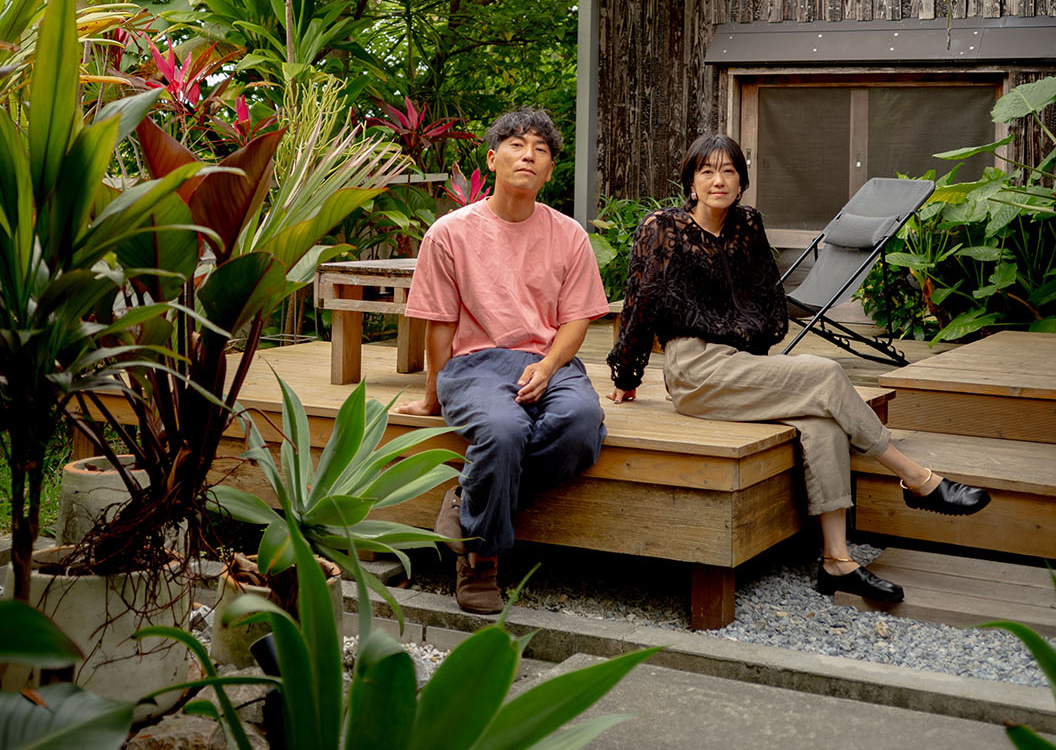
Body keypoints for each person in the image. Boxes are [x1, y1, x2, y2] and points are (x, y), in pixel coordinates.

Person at [607, 133, 990, 604]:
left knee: (822, 421)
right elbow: (640, 302)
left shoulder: (747, 224)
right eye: (706, 171)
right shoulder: (662, 228)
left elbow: (768, 296)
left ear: (742, 182)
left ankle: (837, 561)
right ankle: (917, 479)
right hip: (695, 369)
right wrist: (626, 376)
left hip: (742, 364)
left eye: (728, 170)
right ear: (690, 181)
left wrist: (753, 345)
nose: (718, 180)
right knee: (825, 373)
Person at [396, 107, 609, 614]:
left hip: (548, 359)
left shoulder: (569, 235)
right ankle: (482, 557)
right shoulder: (448, 234)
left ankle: (469, 499)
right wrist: (433, 395)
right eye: (516, 144)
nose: (528, 154)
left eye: (540, 148)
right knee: (504, 431)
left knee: (581, 425)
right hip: (474, 366)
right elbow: (439, 323)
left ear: (550, 169)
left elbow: (577, 318)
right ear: (492, 159)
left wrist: (550, 365)